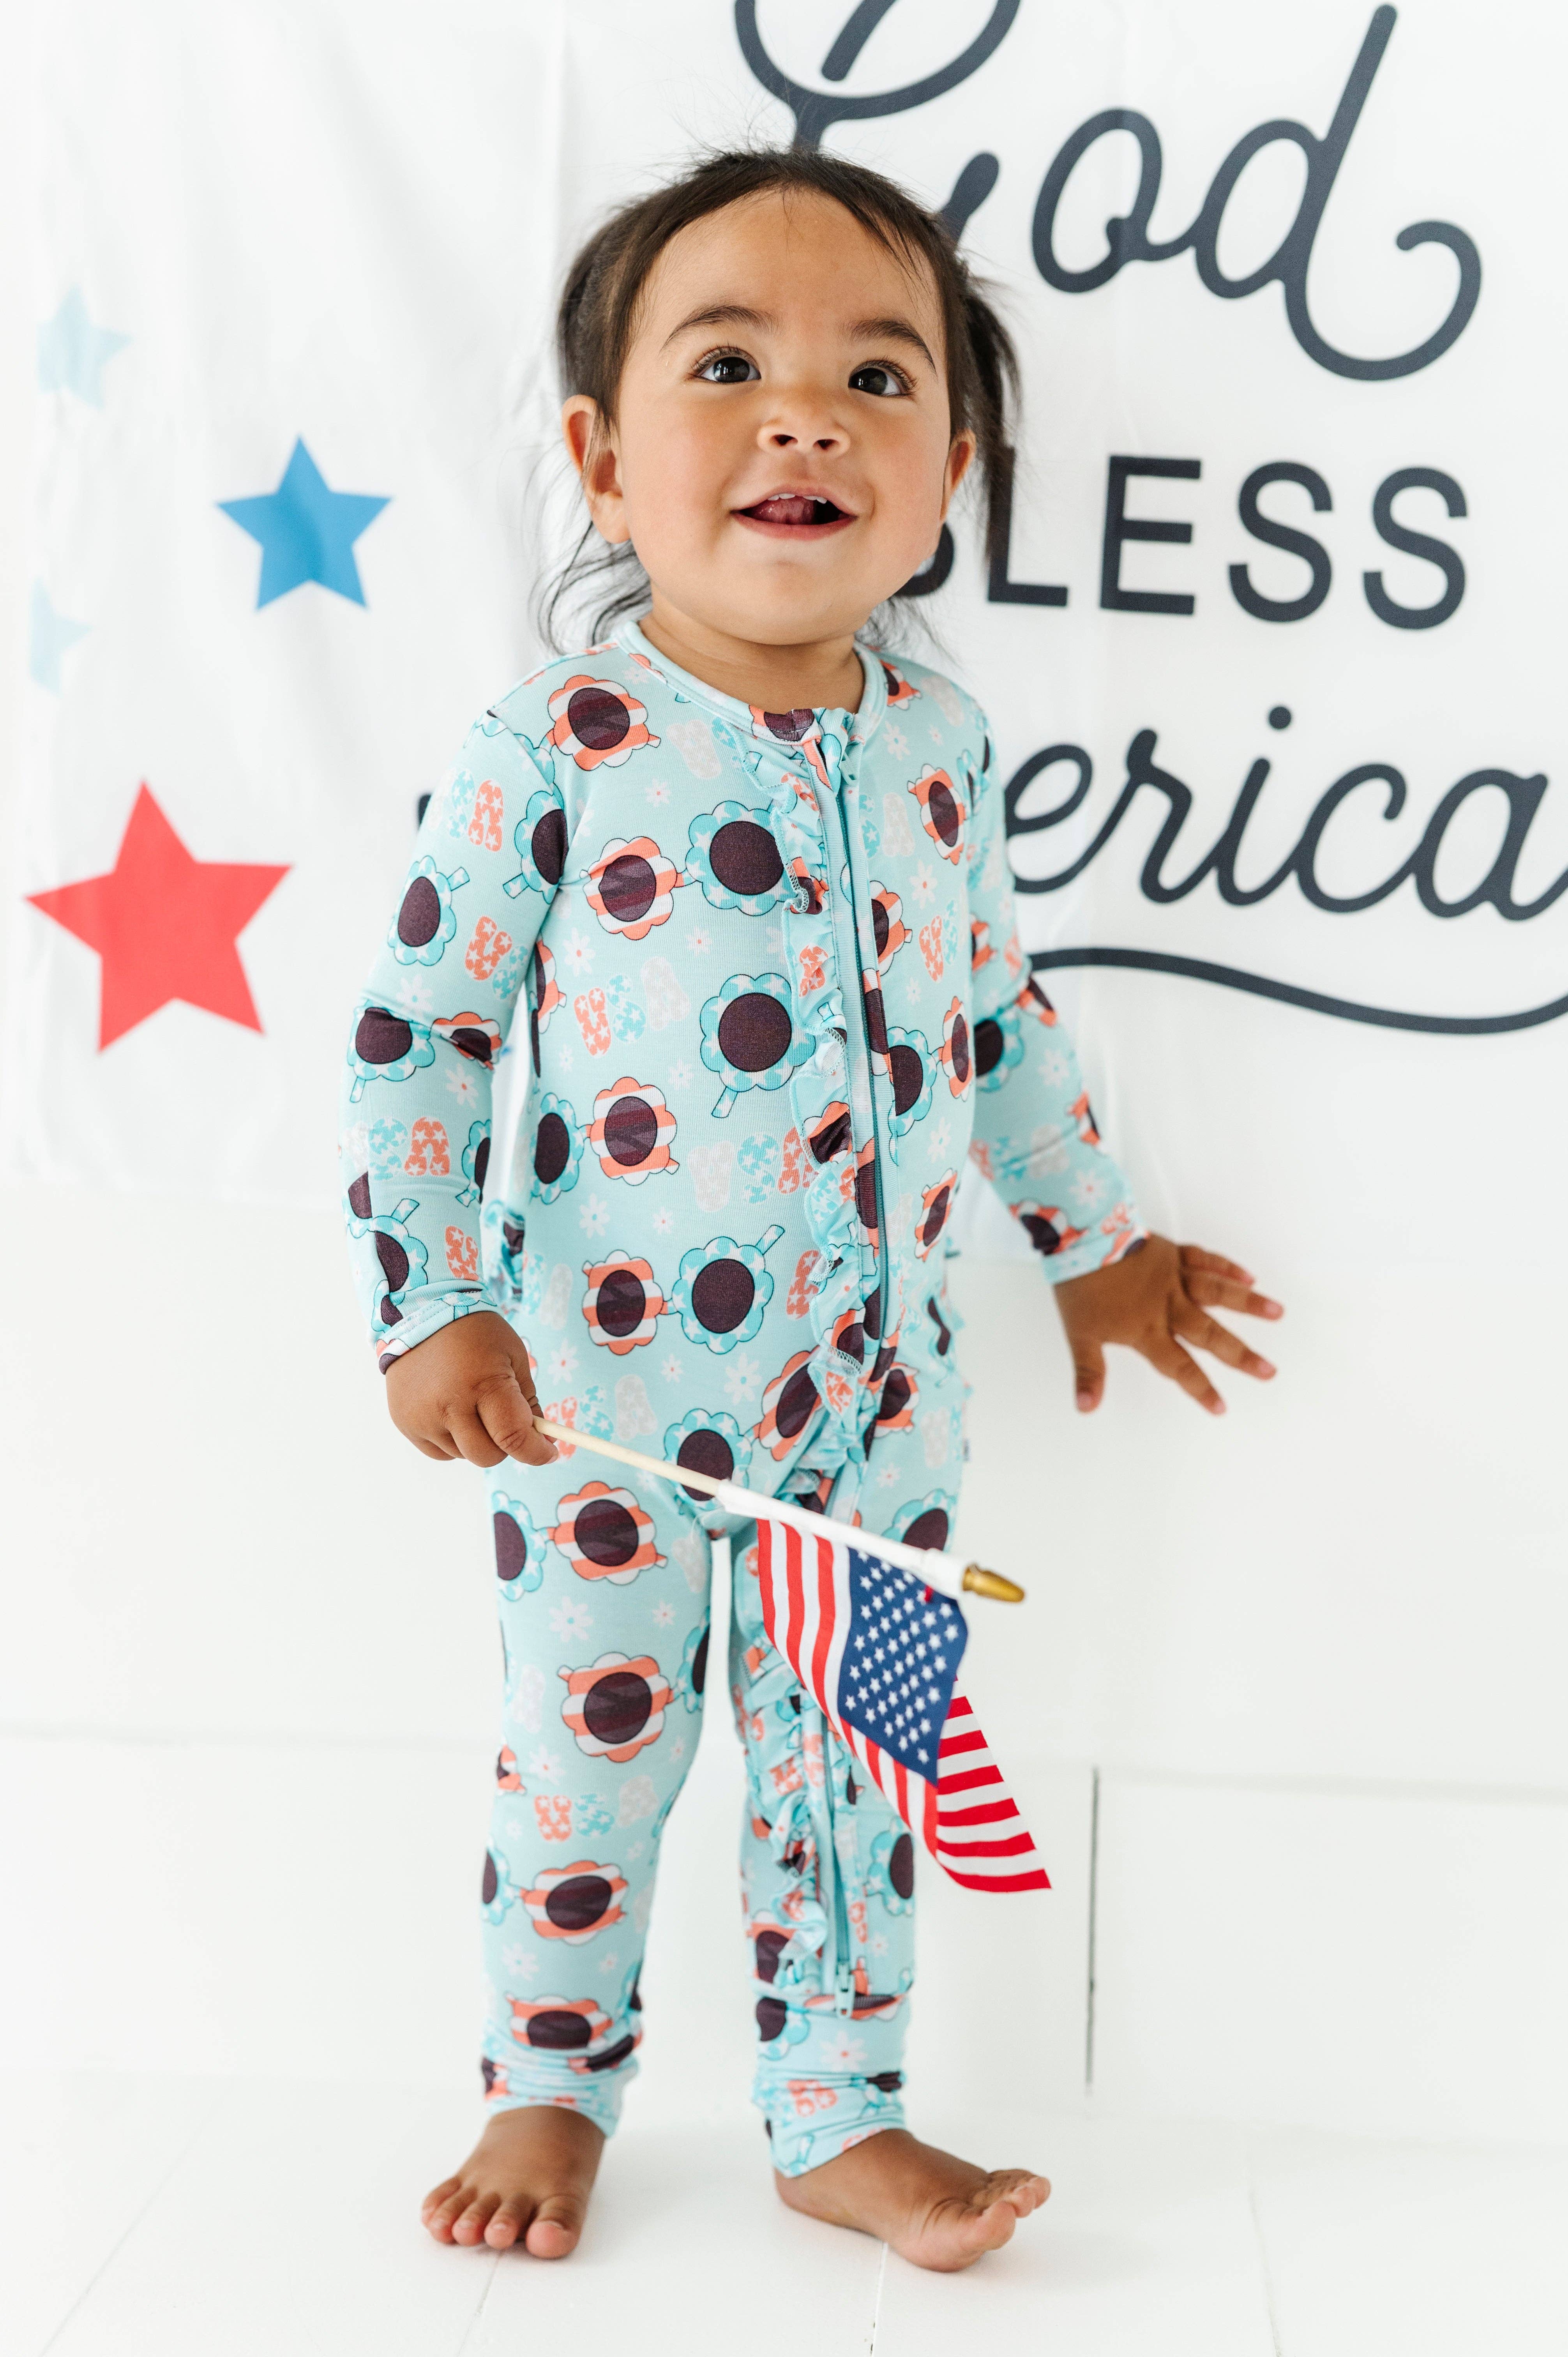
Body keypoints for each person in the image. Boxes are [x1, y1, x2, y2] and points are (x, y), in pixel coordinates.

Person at [339, 147, 1282, 2272]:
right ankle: (549, 2083)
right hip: (595, 1411)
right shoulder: (557, 746)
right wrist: (432, 1301)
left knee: (856, 1769)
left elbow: (995, 1017)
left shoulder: (940, 742)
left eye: (876, 377)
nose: (806, 418)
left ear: (949, 473)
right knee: (590, 1758)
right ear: (601, 461)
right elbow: (419, 1041)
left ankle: (838, 2116)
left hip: (877, 1416)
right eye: (728, 367)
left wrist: (1094, 1245)